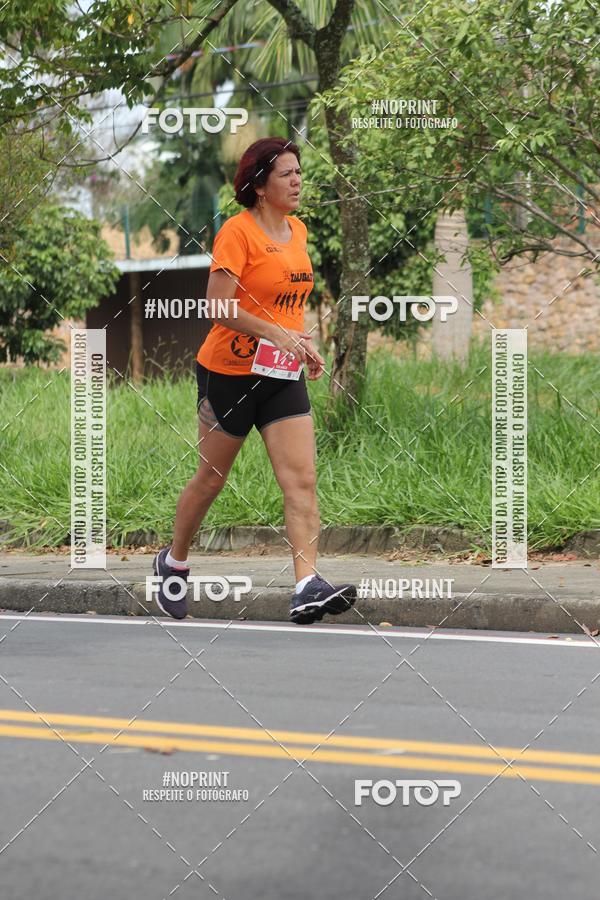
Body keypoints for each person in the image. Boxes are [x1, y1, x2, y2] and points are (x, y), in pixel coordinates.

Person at [152, 137, 357, 625]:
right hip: (229, 374)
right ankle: (173, 562)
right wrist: (274, 334)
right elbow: (217, 307)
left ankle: (307, 585)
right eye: (287, 174)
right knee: (211, 479)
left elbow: (289, 305)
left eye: (300, 173)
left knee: (301, 480)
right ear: (261, 185)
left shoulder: (299, 231)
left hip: (280, 375)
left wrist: (301, 344)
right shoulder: (236, 234)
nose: (297, 181)